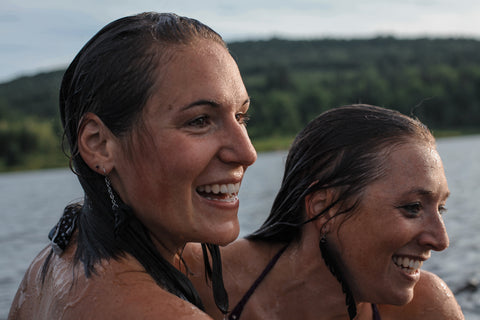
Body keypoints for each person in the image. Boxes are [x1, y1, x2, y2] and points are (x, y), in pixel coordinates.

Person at [8, 12, 257, 319]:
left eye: (241, 117)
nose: (247, 153)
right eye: (200, 120)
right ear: (99, 144)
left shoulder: (54, 261)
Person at [183, 104, 465, 319]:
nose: (440, 241)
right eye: (413, 208)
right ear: (323, 209)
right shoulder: (200, 278)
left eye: (440, 208)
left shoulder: (424, 309)